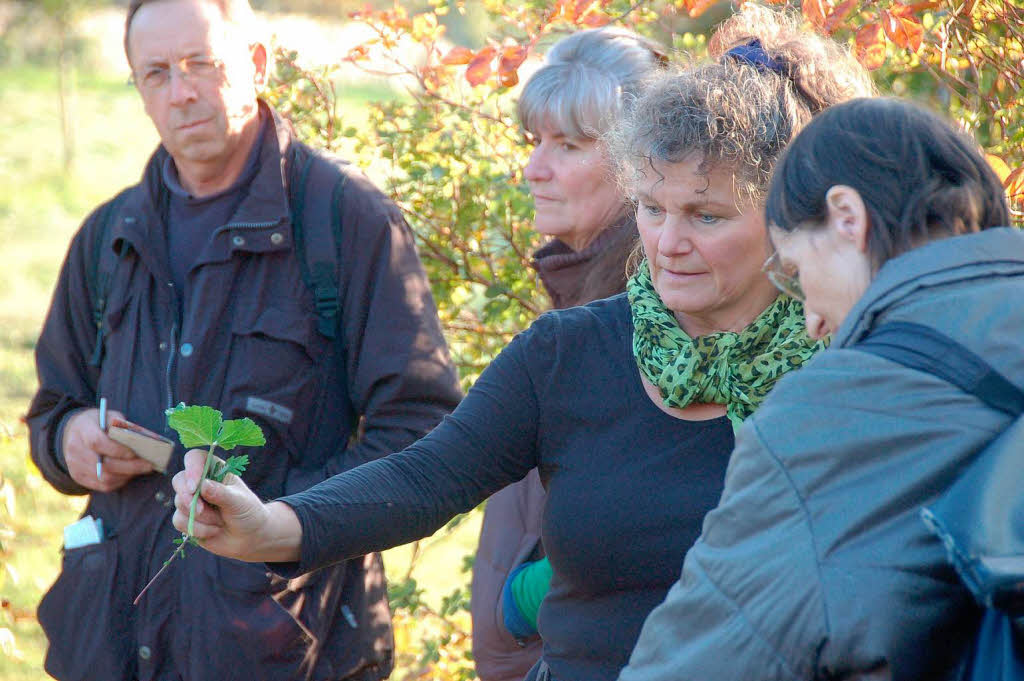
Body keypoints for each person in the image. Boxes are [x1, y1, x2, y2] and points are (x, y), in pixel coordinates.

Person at [170, 7, 872, 681]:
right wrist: (272, 526)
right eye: (652, 208)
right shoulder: (568, 353)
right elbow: (426, 478)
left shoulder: (846, 374)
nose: (668, 241)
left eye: (707, 215)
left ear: (787, 217)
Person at [25, 0, 462, 679]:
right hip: (115, 644)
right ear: (138, 89)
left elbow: (422, 434)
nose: (183, 90)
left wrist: (284, 522)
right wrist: (69, 439)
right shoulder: (108, 239)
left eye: (203, 64)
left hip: (293, 646)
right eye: (158, 73)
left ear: (256, 63)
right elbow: (50, 409)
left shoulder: (346, 223)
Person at [618, 97, 1018, 680]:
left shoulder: (833, 412)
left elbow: (701, 658)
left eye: (798, 273)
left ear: (847, 217)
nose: (811, 321)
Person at [471, 26, 666, 681]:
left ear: (640, 159)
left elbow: (657, 526)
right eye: (535, 142)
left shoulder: (648, 312)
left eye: (569, 145)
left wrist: (524, 600)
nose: (534, 168)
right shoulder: (580, 287)